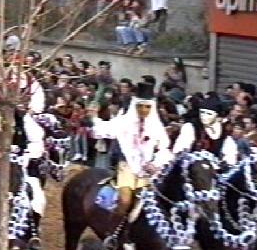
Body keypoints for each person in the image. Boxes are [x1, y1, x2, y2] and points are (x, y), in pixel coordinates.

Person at [90, 82, 172, 218]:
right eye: (140, 106)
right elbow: (105, 129)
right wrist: (94, 118)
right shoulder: (124, 122)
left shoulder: (156, 126)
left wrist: (155, 163)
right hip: (127, 166)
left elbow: (164, 148)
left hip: (148, 171)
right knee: (125, 200)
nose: (144, 110)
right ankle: (114, 232)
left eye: (147, 107)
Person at [173, 96, 238, 165]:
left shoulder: (223, 133)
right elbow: (181, 148)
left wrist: (225, 164)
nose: (204, 116)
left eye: (209, 113)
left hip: (212, 170)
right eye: (202, 112)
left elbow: (230, 155)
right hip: (190, 167)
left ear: (216, 116)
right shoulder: (191, 127)